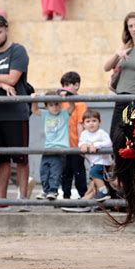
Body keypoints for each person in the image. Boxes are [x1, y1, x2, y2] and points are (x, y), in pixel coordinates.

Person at [104, 11, 135, 141]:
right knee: (114, 137)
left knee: (133, 138)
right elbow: (106, 67)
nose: (134, 29)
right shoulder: (126, 47)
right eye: (130, 26)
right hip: (120, 98)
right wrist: (117, 54)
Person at [0, 16, 30, 203]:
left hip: (15, 113)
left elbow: (13, 79)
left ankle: (23, 199)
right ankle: (1, 201)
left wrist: (4, 82)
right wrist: (2, 83)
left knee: (21, 158)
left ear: (7, 30)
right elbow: (6, 80)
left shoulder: (18, 50)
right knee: (0, 159)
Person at [32, 91, 75, 200]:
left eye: (57, 104)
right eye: (51, 105)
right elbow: (34, 110)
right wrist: (34, 99)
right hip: (47, 148)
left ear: (61, 104)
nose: (54, 107)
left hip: (60, 149)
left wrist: (67, 97)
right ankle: (46, 190)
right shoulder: (46, 114)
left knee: (55, 171)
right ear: (46, 107)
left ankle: (53, 190)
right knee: (44, 170)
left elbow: (72, 107)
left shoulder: (64, 114)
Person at [59, 71, 87, 199]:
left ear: (76, 85)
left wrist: (81, 144)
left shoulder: (80, 103)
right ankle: (66, 195)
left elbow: (81, 124)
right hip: (64, 145)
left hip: (76, 145)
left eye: (67, 85)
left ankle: (83, 195)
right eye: (63, 85)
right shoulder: (61, 102)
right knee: (65, 172)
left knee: (79, 172)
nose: (64, 88)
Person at [78, 109, 113, 201]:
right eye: (88, 121)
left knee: (93, 173)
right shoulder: (84, 134)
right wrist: (83, 145)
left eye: (94, 121)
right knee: (93, 181)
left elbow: (109, 143)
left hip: (103, 162)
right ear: (84, 124)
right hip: (93, 163)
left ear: (99, 122)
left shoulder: (101, 133)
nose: (91, 123)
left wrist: (97, 145)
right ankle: (91, 199)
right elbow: (80, 144)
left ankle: (103, 191)